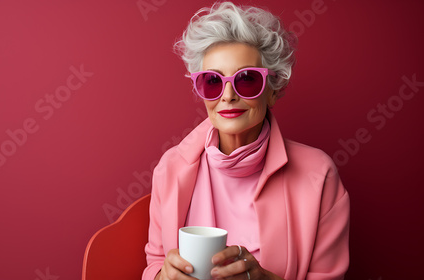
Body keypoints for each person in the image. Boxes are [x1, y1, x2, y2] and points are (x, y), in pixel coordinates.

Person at [142, 2, 350, 280]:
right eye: (213, 82)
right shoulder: (170, 168)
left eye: (247, 79)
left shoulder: (318, 174)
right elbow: (154, 263)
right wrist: (163, 277)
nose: (227, 95)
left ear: (273, 91)